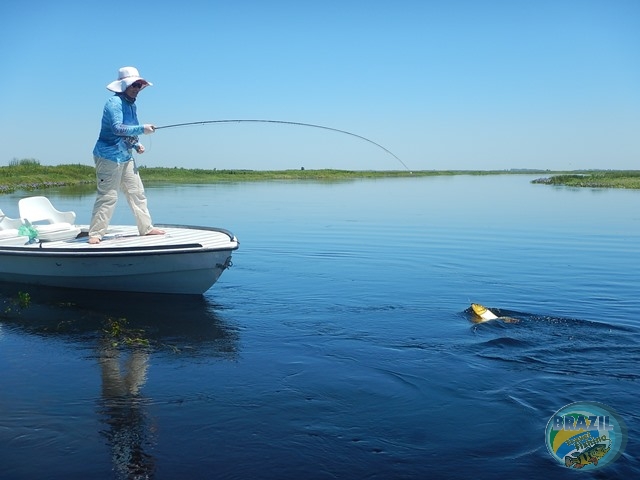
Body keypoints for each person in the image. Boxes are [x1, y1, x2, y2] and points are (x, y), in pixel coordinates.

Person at [88, 66, 165, 244]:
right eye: (134, 85)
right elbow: (117, 128)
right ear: (124, 86)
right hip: (107, 156)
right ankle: (96, 234)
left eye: (139, 85)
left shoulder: (132, 105)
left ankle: (146, 229)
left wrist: (137, 144)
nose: (137, 89)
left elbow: (129, 132)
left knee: (137, 193)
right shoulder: (113, 103)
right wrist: (142, 129)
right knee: (108, 196)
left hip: (126, 156)